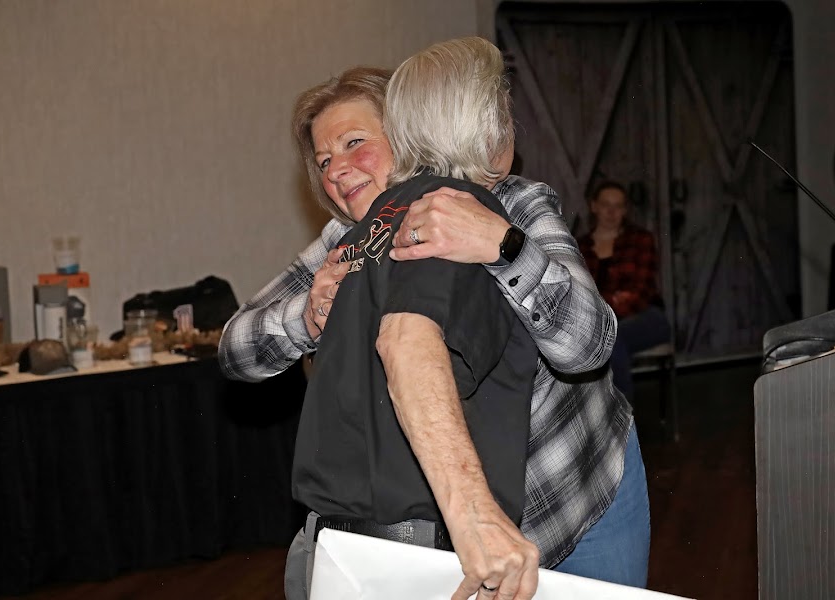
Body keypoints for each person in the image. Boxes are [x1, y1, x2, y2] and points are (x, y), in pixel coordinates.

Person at [219, 46, 649, 592]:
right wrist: (303, 317)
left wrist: (503, 245)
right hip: (470, 533)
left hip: (578, 484)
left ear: (408, 133)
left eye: (354, 143)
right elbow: (234, 348)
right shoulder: (343, 243)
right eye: (323, 161)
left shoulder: (510, 201)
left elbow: (588, 345)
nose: (337, 170)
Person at [577, 181, 672, 401]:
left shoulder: (640, 239)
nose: (611, 212)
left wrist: (601, 306)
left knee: (610, 336)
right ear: (594, 206)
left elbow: (640, 292)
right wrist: (610, 302)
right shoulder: (580, 247)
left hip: (644, 316)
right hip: (597, 320)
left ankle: (620, 413)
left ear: (625, 210)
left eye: (618, 206)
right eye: (605, 205)